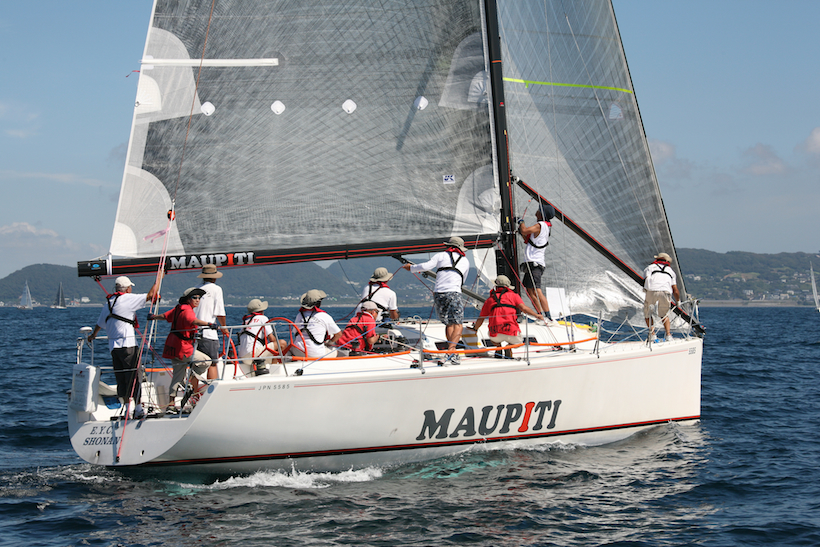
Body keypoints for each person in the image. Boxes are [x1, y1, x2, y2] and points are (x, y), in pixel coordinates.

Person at [87, 276, 160, 419]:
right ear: (127, 289)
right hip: (128, 345)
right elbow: (150, 295)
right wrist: (158, 279)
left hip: (114, 348)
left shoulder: (109, 302)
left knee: (121, 378)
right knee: (133, 377)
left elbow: (100, 324)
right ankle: (138, 409)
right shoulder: (127, 298)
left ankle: (127, 409)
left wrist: (93, 335)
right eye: (130, 287)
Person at [402, 236, 471, 365]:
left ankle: (450, 351)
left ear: (448, 246)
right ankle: (452, 351)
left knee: (449, 323)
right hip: (454, 292)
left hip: (439, 293)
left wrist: (411, 268)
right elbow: (463, 279)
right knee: (457, 323)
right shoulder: (465, 261)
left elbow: (426, 266)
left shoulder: (441, 255)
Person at [148, 287, 218, 413]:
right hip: (183, 348)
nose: (197, 300)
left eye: (199, 298)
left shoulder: (178, 308)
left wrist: (153, 317)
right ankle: (190, 380)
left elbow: (164, 316)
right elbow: (193, 320)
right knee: (206, 361)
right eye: (194, 297)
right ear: (188, 299)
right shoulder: (187, 310)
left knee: (177, 377)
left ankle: (171, 405)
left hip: (172, 348)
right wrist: (209, 324)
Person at [473, 275, 539, 359]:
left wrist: (475, 329)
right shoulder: (514, 296)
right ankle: (508, 347)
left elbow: (481, 318)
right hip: (511, 332)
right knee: (519, 342)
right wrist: (537, 315)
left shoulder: (490, 300)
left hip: (495, 334)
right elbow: (524, 308)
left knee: (492, 336)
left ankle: (498, 347)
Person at [517, 203, 554, 321]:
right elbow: (529, 240)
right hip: (533, 263)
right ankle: (540, 315)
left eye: (538, 210)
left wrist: (521, 222)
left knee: (537, 290)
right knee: (530, 291)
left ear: (541, 214)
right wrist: (521, 231)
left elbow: (524, 230)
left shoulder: (541, 225)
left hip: (535, 264)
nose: (536, 211)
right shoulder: (545, 227)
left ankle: (548, 317)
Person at [194, 264, 228, 380]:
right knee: (212, 363)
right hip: (209, 333)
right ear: (214, 277)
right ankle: (211, 389)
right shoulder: (216, 289)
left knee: (196, 365)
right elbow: (220, 312)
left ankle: (193, 390)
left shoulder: (195, 289)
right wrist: (224, 327)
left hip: (194, 333)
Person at [287, 289, 342, 358]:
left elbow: (295, 332)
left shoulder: (299, 315)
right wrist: (329, 343)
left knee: (291, 342)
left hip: (299, 352)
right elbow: (338, 334)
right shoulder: (324, 316)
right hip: (316, 354)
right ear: (319, 303)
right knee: (334, 350)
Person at [237, 298, 284, 375]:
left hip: (243, 357)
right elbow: (272, 339)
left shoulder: (246, 321)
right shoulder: (263, 318)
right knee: (282, 344)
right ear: (261, 310)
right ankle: (275, 370)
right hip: (253, 354)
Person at [643, 252, 680, 340]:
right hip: (666, 291)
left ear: (657, 259)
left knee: (647, 313)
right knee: (664, 314)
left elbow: (646, 279)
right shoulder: (671, 271)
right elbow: (675, 289)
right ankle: (668, 335)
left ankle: (652, 334)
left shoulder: (650, 268)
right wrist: (678, 301)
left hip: (652, 290)